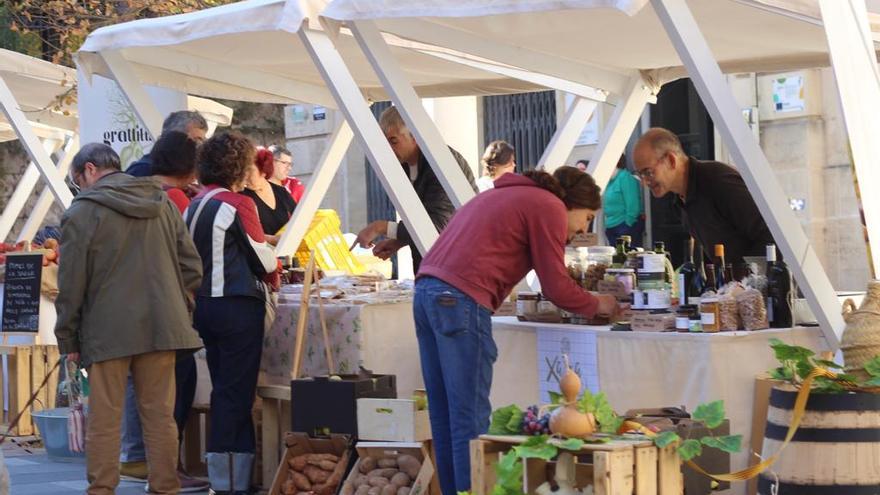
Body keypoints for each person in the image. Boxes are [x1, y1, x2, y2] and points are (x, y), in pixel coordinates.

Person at [413, 167, 619, 494]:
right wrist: (599, 304)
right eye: (588, 217)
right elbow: (556, 286)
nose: (583, 229)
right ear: (574, 203)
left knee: (445, 414)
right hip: (461, 299)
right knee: (468, 419)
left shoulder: (503, 194)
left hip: (426, 293)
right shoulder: (548, 205)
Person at [55, 143, 203, 495]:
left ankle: (102, 490)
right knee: (159, 416)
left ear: (89, 170)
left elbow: (71, 283)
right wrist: (176, 304)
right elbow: (192, 266)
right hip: (163, 326)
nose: (80, 188)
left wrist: (68, 338)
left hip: (107, 330)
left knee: (105, 419)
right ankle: (166, 487)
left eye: (78, 181)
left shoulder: (82, 213)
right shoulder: (163, 203)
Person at [185, 132, 279, 494]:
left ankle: (229, 476)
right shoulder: (236, 203)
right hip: (237, 306)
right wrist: (277, 262)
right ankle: (229, 480)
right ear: (240, 166)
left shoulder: (195, 204)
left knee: (225, 388)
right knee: (235, 394)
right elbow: (262, 258)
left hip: (205, 305)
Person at [117, 131, 209, 493]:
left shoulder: (128, 193)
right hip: (167, 310)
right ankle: (166, 471)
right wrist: (188, 293)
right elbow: (189, 260)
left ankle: (138, 461)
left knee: (141, 392)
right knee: (172, 394)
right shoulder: (173, 200)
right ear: (190, 169)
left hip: (130, 307)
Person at [352, 106, 477, 272]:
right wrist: (399, 241)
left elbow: (437, 226)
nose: (388, 148)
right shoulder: (405, 166)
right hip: (431, 268)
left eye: (393, 141)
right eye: (385, 142)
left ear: (415, 137)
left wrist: (380, 227)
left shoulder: (441, 162)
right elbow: (420, 220)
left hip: (458, 269)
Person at [633, 127, 774, 265]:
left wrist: (748, 281)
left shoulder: (718, 181)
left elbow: (770, 235)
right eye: (640, 175)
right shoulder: (680, 200)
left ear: (671, 160)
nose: (645, 182)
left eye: (648, 172)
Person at [126, 111, 208, 177]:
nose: (199, 147)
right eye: (196, 140)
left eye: (202, 141)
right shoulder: (143, 170)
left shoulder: (180, 171)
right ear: (174, 137)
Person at [241, 148, 297, 244]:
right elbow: (244, 234)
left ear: (263, 170)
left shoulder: (281, 192)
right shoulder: (242, 197)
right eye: (242, 172)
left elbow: (298, 216)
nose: (245, 176)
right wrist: (272, 239)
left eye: (249, 171)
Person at [603, 155, 645, 248]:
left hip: (624, 226)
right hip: (611, 225)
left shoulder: (625, 177)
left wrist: (628, 224)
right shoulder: (608, 181)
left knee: (629, 258)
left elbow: (633, 204)